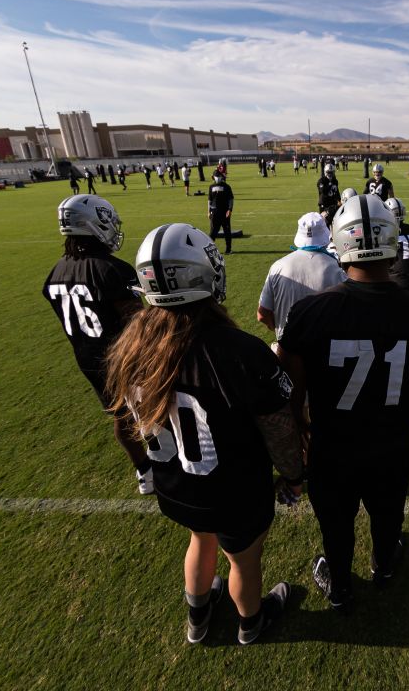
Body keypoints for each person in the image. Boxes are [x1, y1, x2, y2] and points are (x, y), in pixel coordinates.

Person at [107, 223, 304, 646]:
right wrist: (292, 473)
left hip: (177, 485)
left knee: (200, 539)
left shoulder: (130, 347)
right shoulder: (239, 351)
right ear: (199, 275)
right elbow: (278, 425)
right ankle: (251, 623)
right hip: (234, 490)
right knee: (243, 560)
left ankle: (197, 619)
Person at [279, 194, 409, 613]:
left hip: (332, 445)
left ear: (340, 244)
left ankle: (340, 586)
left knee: (335, 523)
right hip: (392, 442)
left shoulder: (309, 312)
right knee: (388, 510)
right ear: (392, 242)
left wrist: (298, 425)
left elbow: (290, 390)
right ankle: (384, 565)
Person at [42, 194, 150, 510]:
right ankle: (167, 462)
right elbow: (136, 321)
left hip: (87, 357)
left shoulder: (54, 273)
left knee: (120, 414)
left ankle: (144, 471)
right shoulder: (111, 269)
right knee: (155, 408)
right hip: (125, 356)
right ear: (92, 224)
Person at [258, 212, 346, 345]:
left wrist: (279, 328)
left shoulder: (277, 267)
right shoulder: (338, 269)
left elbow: (262, 314)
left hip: (287, 351)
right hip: (325, 352)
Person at [207, 172, 235, 254]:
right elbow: (209, 200)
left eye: (219, 176)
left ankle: (228, 249)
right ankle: (210, 251)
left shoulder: (226, 186)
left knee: (227, 231)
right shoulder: (211, 187)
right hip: (214, 212)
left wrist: (230, 209)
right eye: (216, 176)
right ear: (213, 177)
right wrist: (208, 211)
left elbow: (231, 199)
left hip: (224, 212)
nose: (218, 178)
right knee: (213, 232)